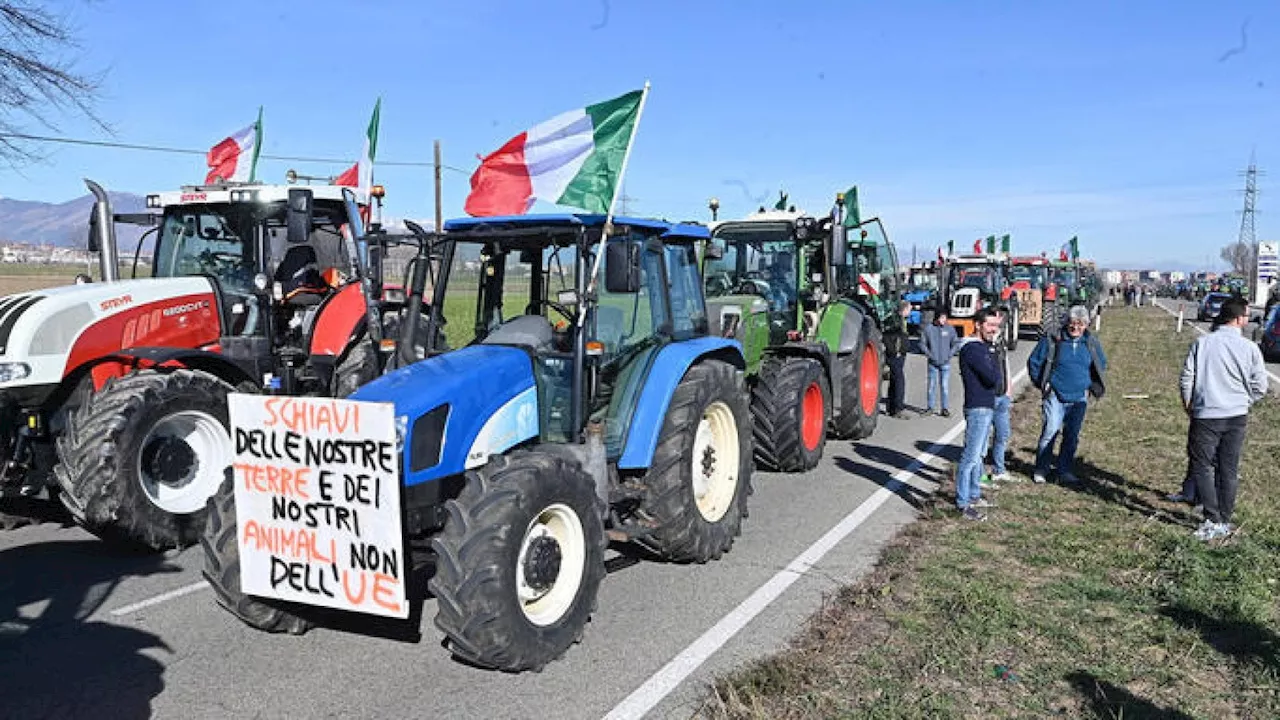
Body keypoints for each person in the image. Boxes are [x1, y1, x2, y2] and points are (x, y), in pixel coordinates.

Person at [1179, 296, 1269, 540]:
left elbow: (1188, 376)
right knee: (1229, 469)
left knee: (1203, 466)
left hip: (1207, 413)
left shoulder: (1203, 343)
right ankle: (1225, 519)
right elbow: (1261, 385)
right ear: (1239, 319)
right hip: (1237, 415)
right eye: (1247, 315)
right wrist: (1245, 401)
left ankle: (1212, 517)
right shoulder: (1250, 348)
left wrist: (1189, 405)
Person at [1027, 305, 1108, 484]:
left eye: (1080, 325)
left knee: (1071, 435)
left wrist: (1091, 386)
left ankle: (1064, 470)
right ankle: (1042, 468)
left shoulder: (1091, 342)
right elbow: (1034, 362)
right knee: (1051, 431)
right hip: (1055, 394)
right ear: (1067, 323)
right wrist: (1042, 384)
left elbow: (1101, 364)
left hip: (1079, 396)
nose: (1076, 328)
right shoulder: (1053, 340)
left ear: (1087, 325)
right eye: (1073, 324)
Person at [955, 308, 1004, 520]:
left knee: (979, 456)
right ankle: (963, 504)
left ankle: (974, 494)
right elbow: (993, 377)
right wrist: (993, 354)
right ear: (978, 325)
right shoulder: (974, 349)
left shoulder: (983, 347)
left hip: (985, 405)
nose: (994, 330)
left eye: (996, 325)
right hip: (978, 407)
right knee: (971, 457)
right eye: (990, 325)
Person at [987, 306, 1017, 486]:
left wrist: (1009, 384)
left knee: (1003, 434)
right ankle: (979, 477)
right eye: (995, 318)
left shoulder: (1001, 341)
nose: (999, 321)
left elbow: (1005, 363)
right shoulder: (982, 342)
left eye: (1000, 318)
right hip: (988, 397)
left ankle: (999, 470)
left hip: (1002, 395)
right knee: (982, 440)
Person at [919, 307, 959, 417]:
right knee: (931, 386)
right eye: (942, 317)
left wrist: (950, 354)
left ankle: (944, 408)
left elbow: (955, 343)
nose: (944, 320)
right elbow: (922, 344)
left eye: (945, 317)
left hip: (945, 362)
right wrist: (929, 355)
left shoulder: (950, 329)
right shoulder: (929, 329)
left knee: (944, 386)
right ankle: (930, 407)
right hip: (933, 362)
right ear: (937, 318)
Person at [883, 300, 912, 418]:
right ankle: (898, 408)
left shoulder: (901, 320)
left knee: (894, 380)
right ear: (904, 309)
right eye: (909, 309)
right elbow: (889, 337)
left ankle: (891, 407)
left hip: (900, 354)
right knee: (899, 381)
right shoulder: (895, 321)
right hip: (896, 355)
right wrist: (895, 352)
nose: (910, 311)